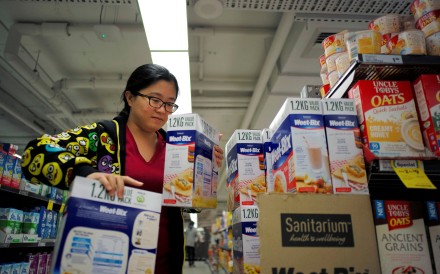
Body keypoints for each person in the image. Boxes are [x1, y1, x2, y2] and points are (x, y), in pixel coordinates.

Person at [21, 64, 224, 274]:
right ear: (130, 97)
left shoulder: (176, 147)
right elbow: (34, 153)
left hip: (164, 263)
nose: (162, 110)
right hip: (107, 260)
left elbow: (188, 205)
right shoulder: (103, 136)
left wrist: (206, 168)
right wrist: (85, 173)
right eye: (155, 100)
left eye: (169, 104)